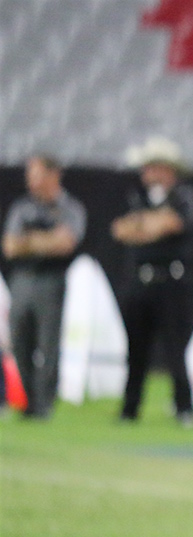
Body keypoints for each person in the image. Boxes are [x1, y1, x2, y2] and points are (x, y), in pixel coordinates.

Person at [111, 137, 193, 426]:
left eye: (152, 167)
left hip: (171, 282)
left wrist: (144, 226)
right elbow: (121, 229)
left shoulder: (184, 196)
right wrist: (150, 225)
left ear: (167, 169)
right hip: (140, 281)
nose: (147, 173)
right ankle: (130, 408)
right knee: (136, 349)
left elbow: (172, 224)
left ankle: (184, 407)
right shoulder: (136, 196)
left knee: (176, 348)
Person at [2, 155, 86, 419]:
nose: (31, 180)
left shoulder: (69, 208)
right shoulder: (22, 207)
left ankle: (44, 403)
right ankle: (27, 399)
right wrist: (46, 240)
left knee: (48, 341)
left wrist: (28, 241)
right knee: (19, 338)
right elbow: (10, 246)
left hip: (51, 279)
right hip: (22, 278)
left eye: (36, 174)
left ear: (53, 175)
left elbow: (66, 243)